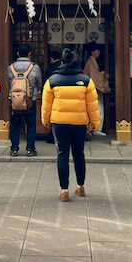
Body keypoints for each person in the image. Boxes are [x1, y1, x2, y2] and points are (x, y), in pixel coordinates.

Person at [41, 48, 100, 202]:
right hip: (79, 123)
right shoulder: (86, 81)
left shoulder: (52, 81)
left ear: (62, 62)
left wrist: (45, 120)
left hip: (59, 123)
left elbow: (46, 105)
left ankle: (64, 190)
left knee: (62, 154)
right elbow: (92, 105)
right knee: (79, 154)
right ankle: (80, 187)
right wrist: (95, 123)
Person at [7, 43, 43, 157]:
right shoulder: (34, 67)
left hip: (15, 100)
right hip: (29, 100)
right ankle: (30, 149)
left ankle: (14, 148)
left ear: (17, 53)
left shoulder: (11, 68)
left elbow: (9, 83)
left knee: (14, 125)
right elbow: (39, 83)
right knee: (31, 125)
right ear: (29, 54)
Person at [82, 42, 111, 136]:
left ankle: (95, 128)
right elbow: (95, 77)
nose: (99, 52)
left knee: (96, 109)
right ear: (93, 52)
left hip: (93, 89)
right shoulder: (91, 63)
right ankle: (96, 128)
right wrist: (103, 76)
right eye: (97, 51)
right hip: (94, 90)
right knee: (98, 109)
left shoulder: (92, 62)